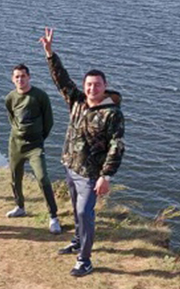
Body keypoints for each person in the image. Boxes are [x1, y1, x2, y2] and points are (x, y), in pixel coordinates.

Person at [39, 28, 125, 277]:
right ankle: (78, 240)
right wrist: (49, 53)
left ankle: (85, 260)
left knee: (84, 213)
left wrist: (106, 176)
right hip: (71, 165)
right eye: (88, 84)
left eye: (97, 85)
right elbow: (61, 79)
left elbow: (116, 145)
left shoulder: (112, 114)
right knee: (76, 208)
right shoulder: (77, 101)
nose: (91, 88)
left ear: (105, 86)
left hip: (90, 174)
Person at [4, 63, 61, 234]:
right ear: (13, 79)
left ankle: (53, 216)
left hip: (35, 145)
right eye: (17, 77)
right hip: (16, 144)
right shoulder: (10, 98)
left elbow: (48, 121)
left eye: (23, 76)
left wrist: (39, 138)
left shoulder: (40, 96)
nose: (20, 79)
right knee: (15, 177)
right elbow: (11, 118)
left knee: (43, 178)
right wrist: (18, 134)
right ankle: (20, 206)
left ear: (29, 77)